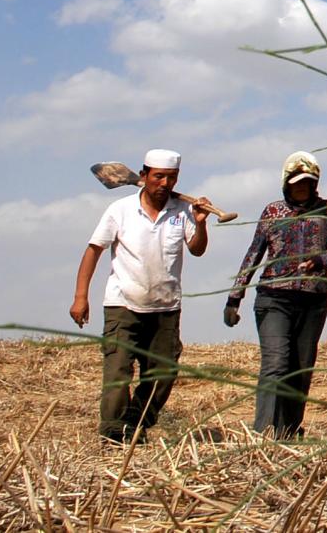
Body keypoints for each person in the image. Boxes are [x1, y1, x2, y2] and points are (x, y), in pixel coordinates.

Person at [69, 148, 215, 443]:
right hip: (123, 303)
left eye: (171, 178)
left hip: (166, 306)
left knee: (163, 374)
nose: (164, 184)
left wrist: (200, 222)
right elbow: (93, 250)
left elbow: (197, 249)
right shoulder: (120, 210)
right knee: (118, 372)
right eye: (158, 176)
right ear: (144, 175)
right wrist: (80, 297)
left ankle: (135, 425)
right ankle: (113, 435)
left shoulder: (183, 211)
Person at [223, 150, 327, 438]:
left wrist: (319, 261)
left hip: (313, 299)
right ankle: (265, 433)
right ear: (287, 183)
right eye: (296, 182)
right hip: (273, 298)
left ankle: (290, 432)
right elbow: (253, 254)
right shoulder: (272, 212)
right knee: (276, 363)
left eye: (307, 182)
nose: (302, 187)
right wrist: (235, 297)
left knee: (300, 368)